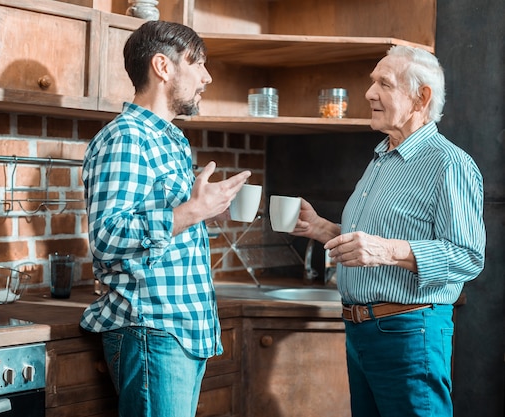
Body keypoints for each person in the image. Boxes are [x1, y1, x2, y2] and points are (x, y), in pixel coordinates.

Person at [290, 45, 485, 417]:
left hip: (410, 333)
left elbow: (468, 256)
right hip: (362, 332)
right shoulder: (382, 157)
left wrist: (388, 251)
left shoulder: (448, 163)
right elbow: (372, 243)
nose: (369, 93)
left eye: (384, 83)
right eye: (371, 82)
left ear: (420, 98)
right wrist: (322, 229)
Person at [80, 20, 251, 417]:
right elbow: (107, 236)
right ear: (163, 66)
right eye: (198, 64)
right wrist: (192, 210)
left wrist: (201, 210)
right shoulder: (127, 138)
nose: (207, 77)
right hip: (151, 328)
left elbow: (161, 226)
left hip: (179, 328)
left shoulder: (169, 139)